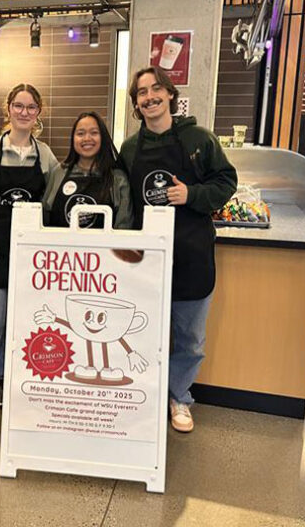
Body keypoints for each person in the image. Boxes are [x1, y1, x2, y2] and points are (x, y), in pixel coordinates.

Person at [119, 66, 237, 433]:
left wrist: (192, 195)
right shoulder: (129, 148)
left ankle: (179, 397)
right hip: (145, 261)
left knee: (189, 339)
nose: (150, 97)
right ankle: (141, 393)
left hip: (191, 256)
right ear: (136, 104)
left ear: (170, 94)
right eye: (142, 92)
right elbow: (122, 199)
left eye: (156, 89)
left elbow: (226, 181)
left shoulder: (199, 139)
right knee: (139, 334)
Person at [0, 84, 60, 407]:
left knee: (17, 319)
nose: (24, 112)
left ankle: (3, 374)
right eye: (18, 106)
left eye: (31, 107)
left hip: (29, 255)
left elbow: (55, 196)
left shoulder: (44, 154)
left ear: (39, 113)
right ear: (8, 109)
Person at [43, 111, 133, 230]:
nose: (87, 138)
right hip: (60, 248)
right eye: (80, 133)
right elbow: (43, 217)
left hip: (103, 248)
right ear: (73, 139)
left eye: (94, 133)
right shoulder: (59, 173)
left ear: (103, 137)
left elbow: (124, 227)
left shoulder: (117, 178)